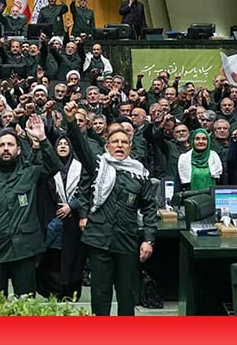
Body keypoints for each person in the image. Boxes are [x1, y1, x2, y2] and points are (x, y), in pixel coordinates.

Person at [64, 101, 158, 316]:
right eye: (115, 141)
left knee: (127, 293)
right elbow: (80, 145)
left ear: (130, 147)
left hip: (127, 241)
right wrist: (71, 122)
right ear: (107, 146)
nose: (119, 145)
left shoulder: (139, 173)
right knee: (100, 293)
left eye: (124, 142)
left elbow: (150, 208)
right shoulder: (98, 166)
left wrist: (148, 239)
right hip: (99, 240)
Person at [0, 115, 60, 297]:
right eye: (1, 145)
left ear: (18, 149)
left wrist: (42, 138)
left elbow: (54, 166)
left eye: (10, 144)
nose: (6, 148)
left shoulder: (29, 174)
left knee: (26, 302)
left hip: (24, 249)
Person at [35, 135, 89, 301]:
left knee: (73, 259)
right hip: (53, 218)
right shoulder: (49, 168)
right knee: (54, 257)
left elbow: (86, 191)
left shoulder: (80, 167)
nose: (63, 146)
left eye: (66, 144)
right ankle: (55, 292)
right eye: (60, 144)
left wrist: (71, 205)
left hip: (74, 219)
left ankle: (71, 293)